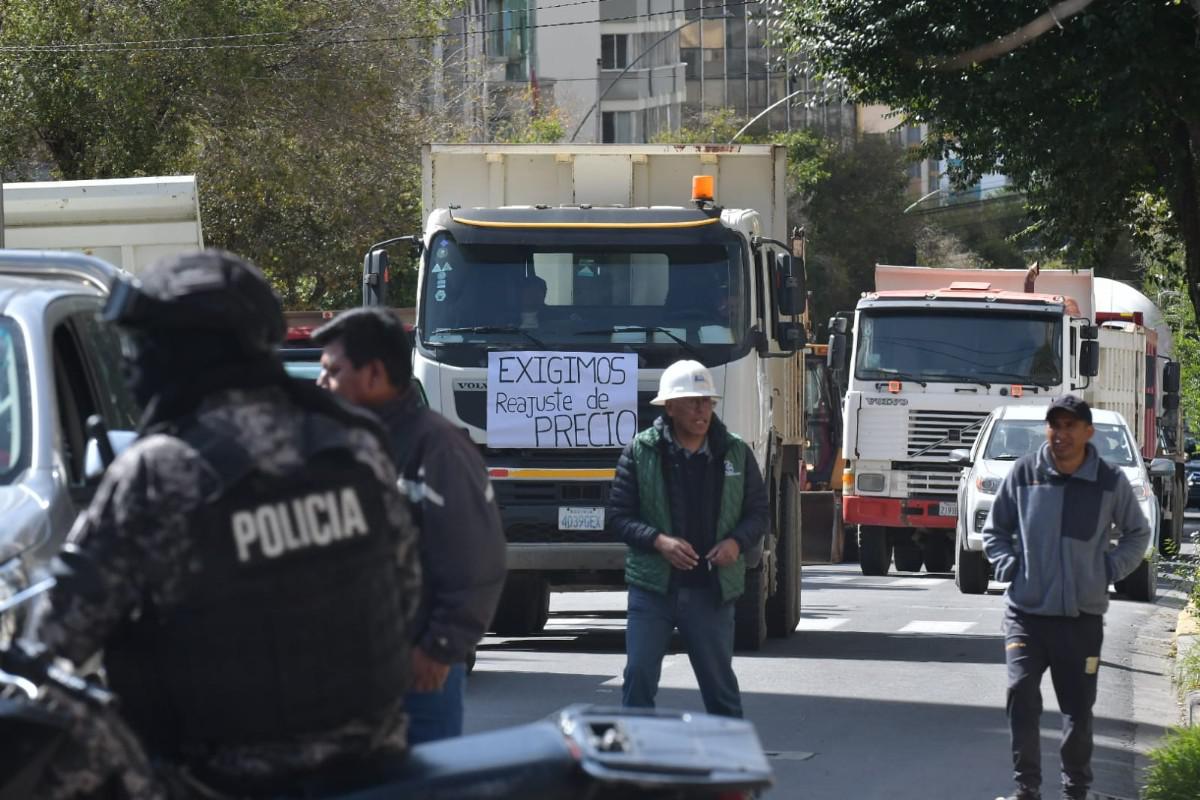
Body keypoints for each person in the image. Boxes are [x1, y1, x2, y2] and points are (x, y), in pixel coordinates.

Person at [19, 250, 422, 798]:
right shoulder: (353, 445)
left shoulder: (161, 472)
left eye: (144, 345)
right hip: (373, 770)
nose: (133, 364)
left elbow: (50, 643)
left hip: (218, 784)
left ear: (181, 351)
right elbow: (404, 593)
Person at [311, 307, 506, 743]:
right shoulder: (341, 445)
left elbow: (478, 561)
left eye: (333, 371)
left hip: (418, 680)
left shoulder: (436, 448)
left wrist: (440, 649)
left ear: (375, 374)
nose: (321, 383)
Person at [984, 395, 1151, 800]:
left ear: (1087, 432)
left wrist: (1108, 570)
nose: (1060, 434)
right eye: (1054, 425)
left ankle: (1076, 790)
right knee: (1021, 693)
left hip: (1081, 618)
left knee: (1077, 709)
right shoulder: (1025, 473)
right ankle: (1026, 788)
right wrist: (1009, 566)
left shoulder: (1109, 480)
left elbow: (1138, 534)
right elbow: (995, 531)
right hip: (1026, 614)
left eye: (1070, 426)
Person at [607, 359, 767, 718]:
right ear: (670, 407)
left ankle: (728, 749)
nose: (702, 410)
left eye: (707, 401)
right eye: (693, 402)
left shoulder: (736, 452)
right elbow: (618, 516)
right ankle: (636, 748)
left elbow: (758, 513)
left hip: (710, 592)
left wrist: (736, 543)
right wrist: (659, 541)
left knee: (720, 689)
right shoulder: (641, 451)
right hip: (653, 590)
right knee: (638, 677)